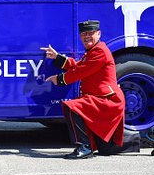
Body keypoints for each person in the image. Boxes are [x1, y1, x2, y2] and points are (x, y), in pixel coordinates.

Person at [41, 20, 140, 159]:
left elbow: (80, 71)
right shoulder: (93, 51)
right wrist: (57, 57)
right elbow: (78, 65)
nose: (86, 36)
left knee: (72, 107)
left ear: (98, 34)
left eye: (90, 33)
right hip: (101, 99)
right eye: (83, 33)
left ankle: (84, 147)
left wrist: (59, 79)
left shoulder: (100, 51)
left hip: (107, 100)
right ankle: (143, 138)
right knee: (105, 148)